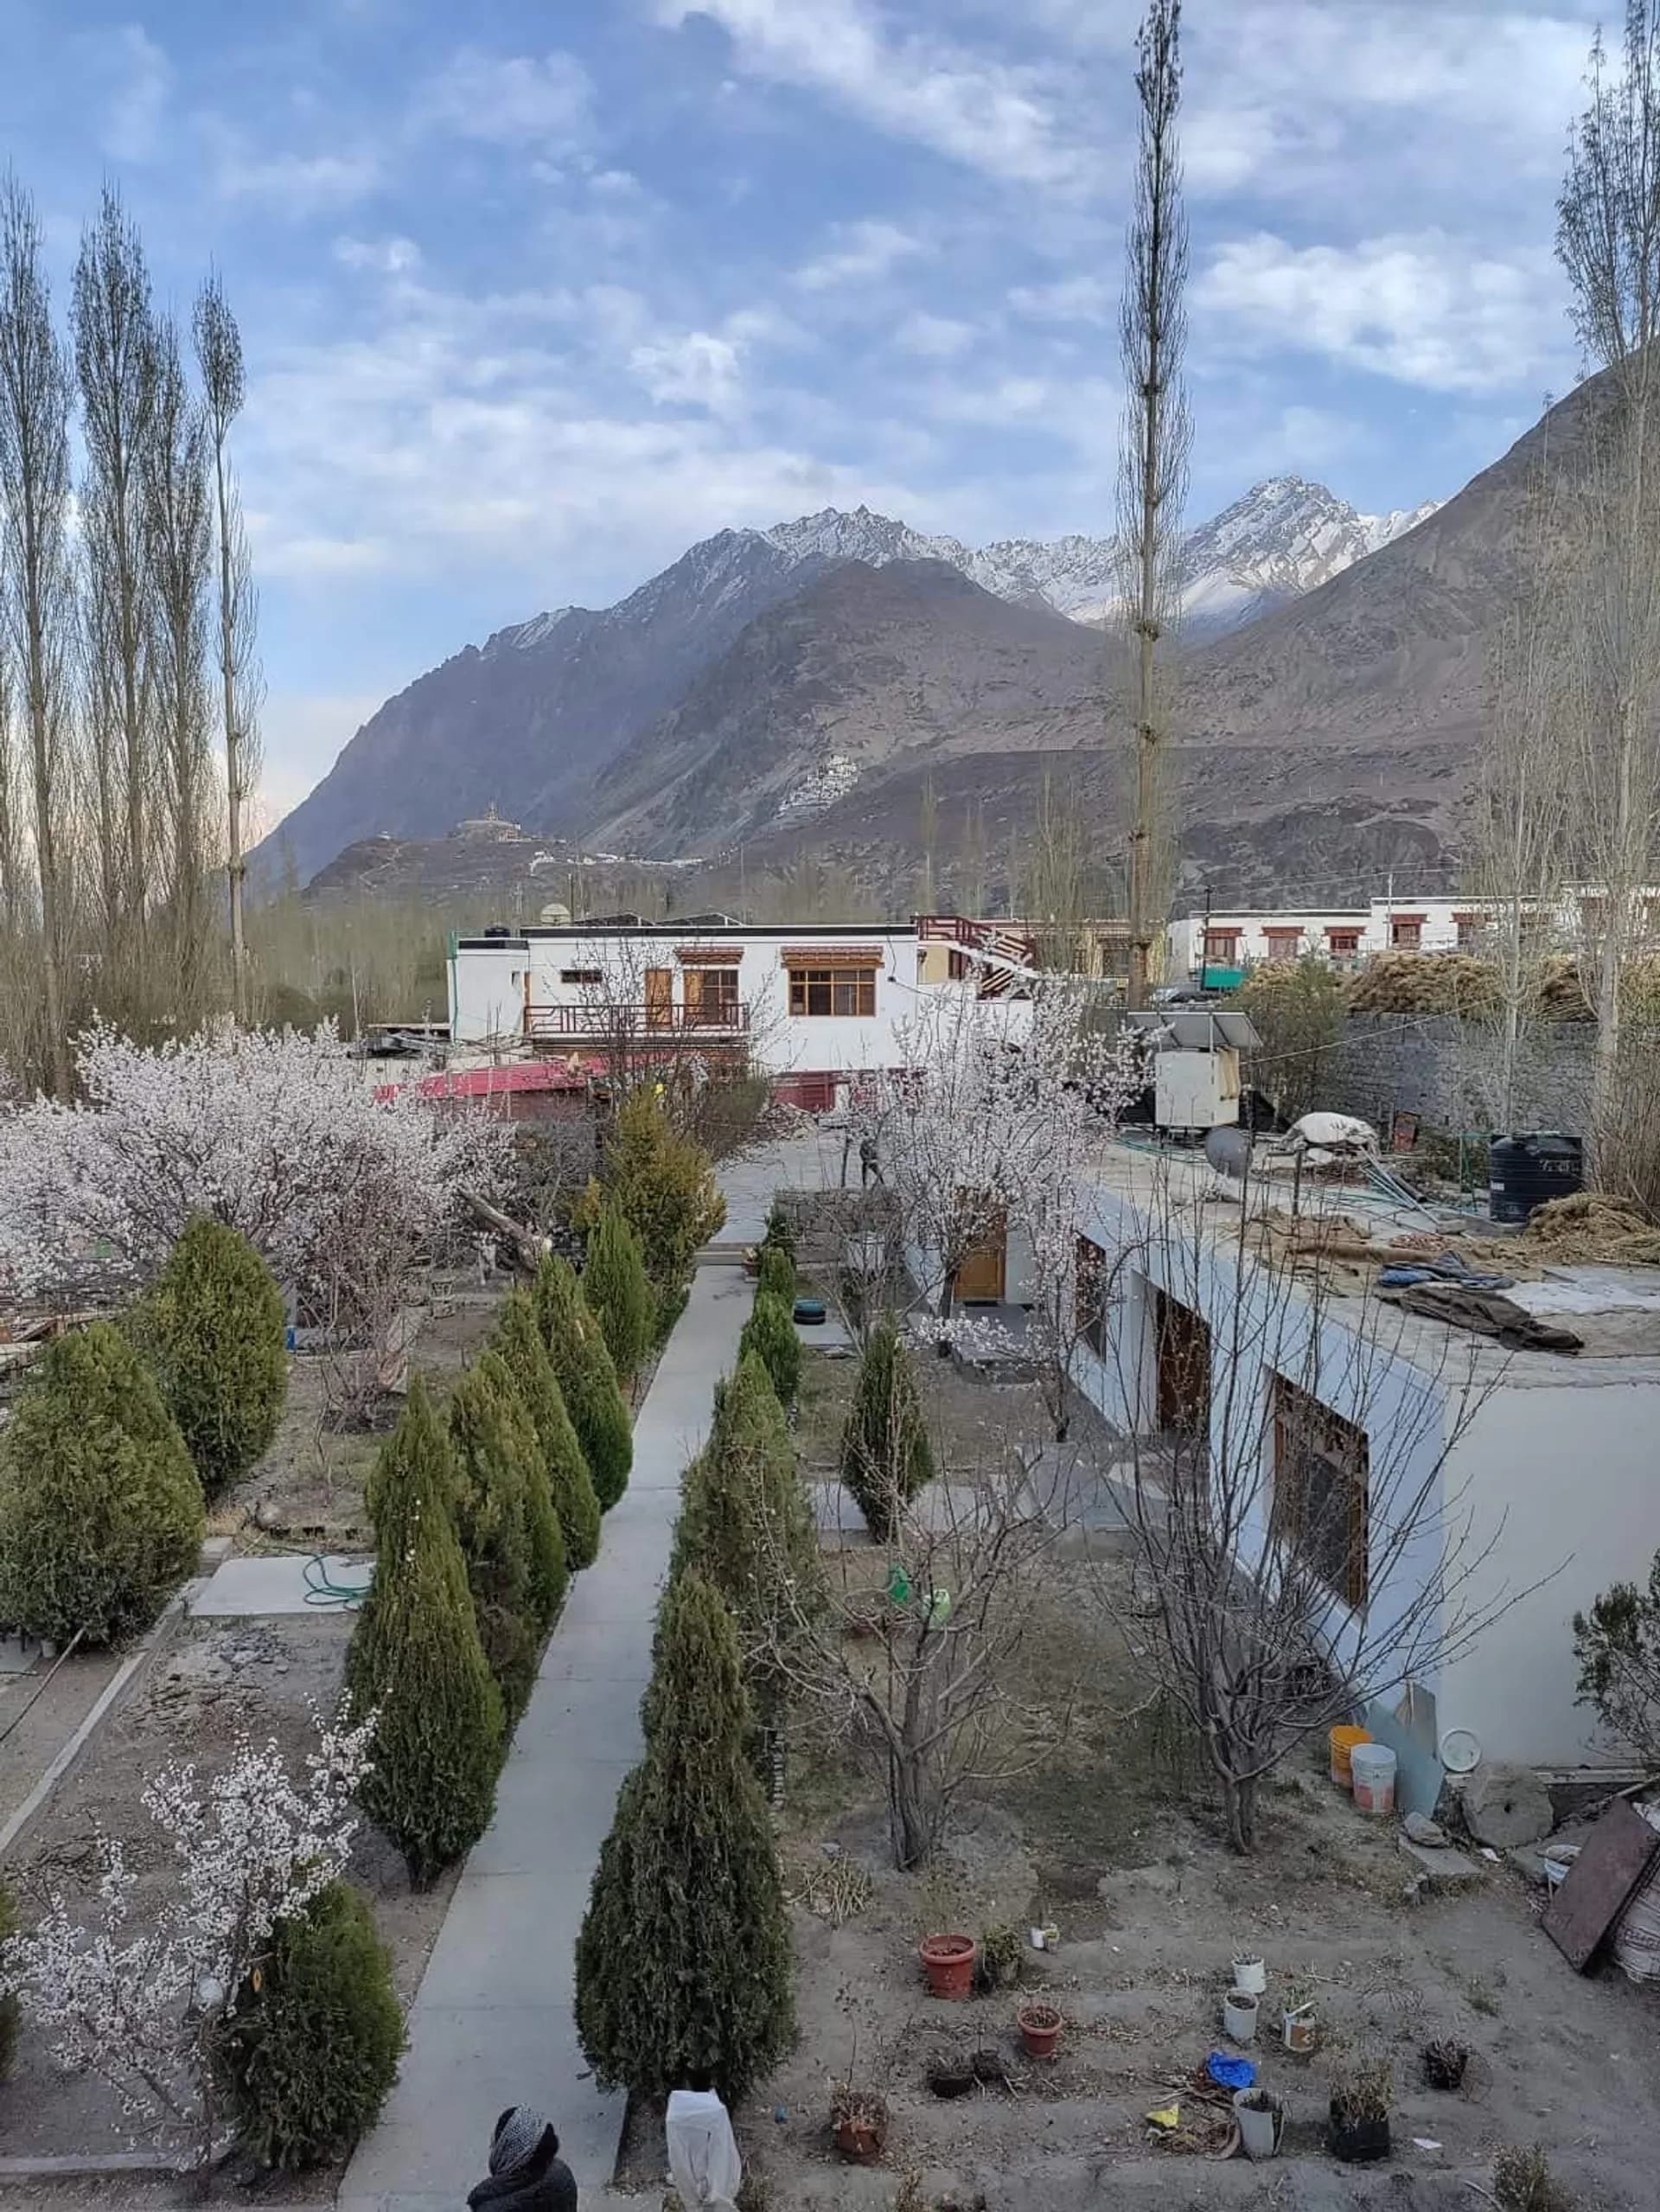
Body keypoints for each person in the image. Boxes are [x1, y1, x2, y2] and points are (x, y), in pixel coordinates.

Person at [467, 2107, 578, 2211]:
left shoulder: (491, 2205)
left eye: (497, 2142)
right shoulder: (560, 2173)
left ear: (510, 2150)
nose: (492, 2147)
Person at [665, 2068, 742, 2212]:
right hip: (717, 2188)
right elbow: (724, 2152)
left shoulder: (675, 2114)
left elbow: (678, 2160)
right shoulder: (717, 2111)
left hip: (692, 2187)